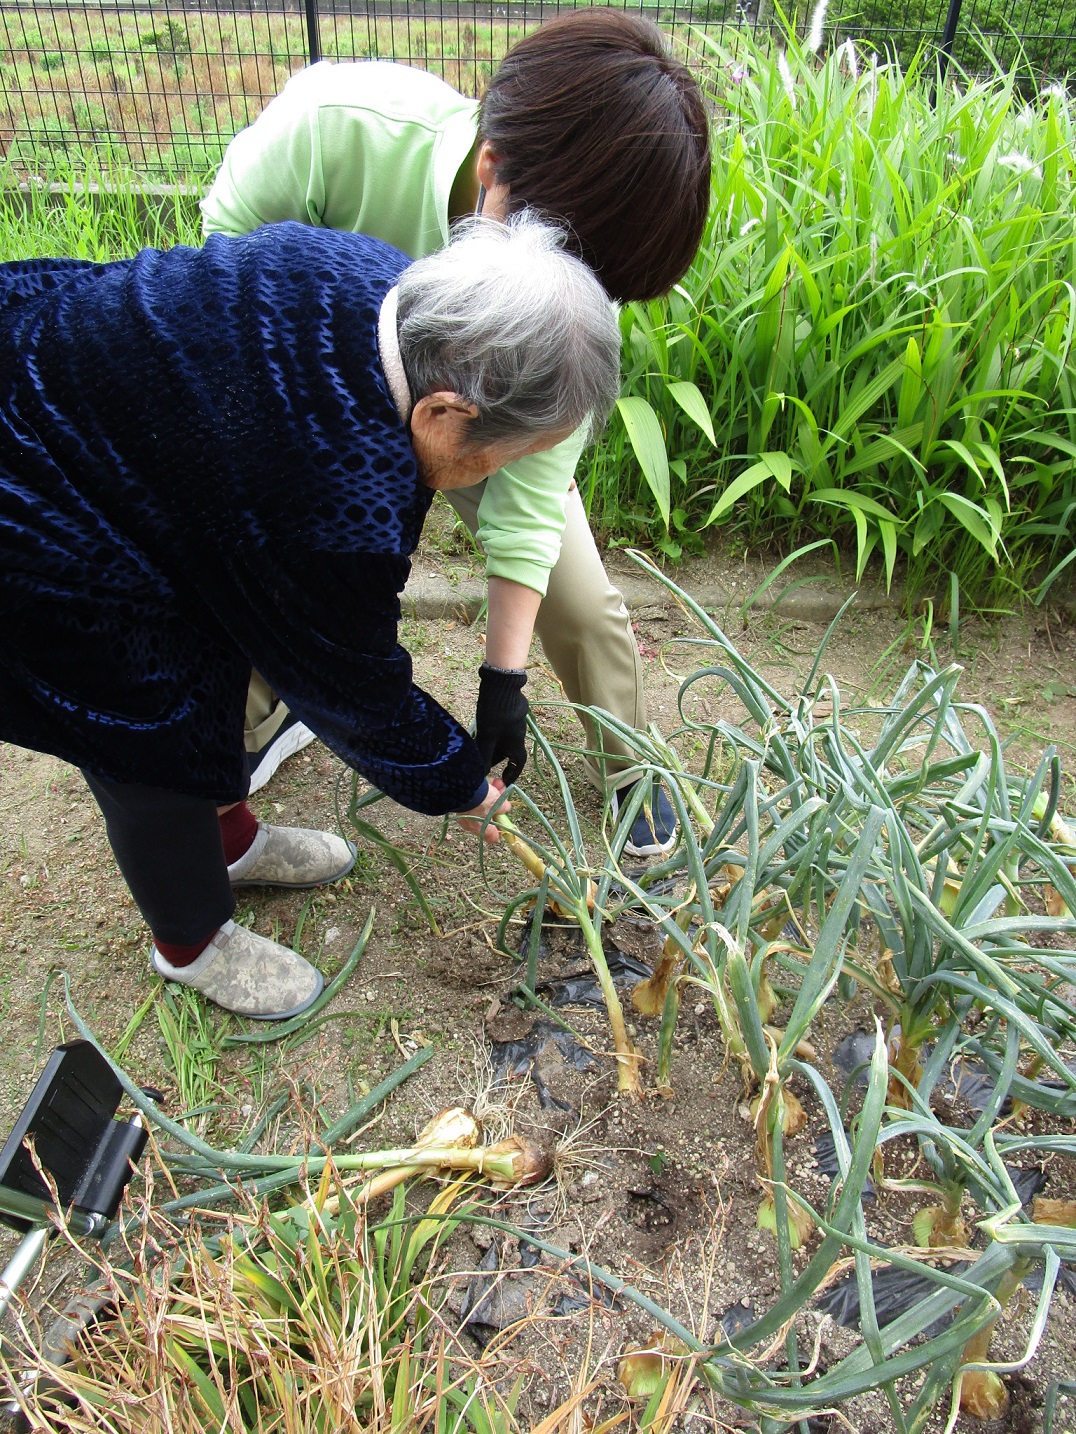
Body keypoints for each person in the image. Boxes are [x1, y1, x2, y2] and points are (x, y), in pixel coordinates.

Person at [0, 214, 621, 1019]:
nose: (499, 474)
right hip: (35, 485)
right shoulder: (328, 490)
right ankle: (190, 943)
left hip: (108, 420)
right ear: (442, 413)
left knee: (210, 648)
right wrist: (460, 784)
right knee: (138, 712)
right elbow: (351, 685)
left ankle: (230, 841)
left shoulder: (388, 291)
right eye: (506, 456)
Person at [201, 9, 712, 855]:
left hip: (490, 419)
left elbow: (534, 496)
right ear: (490, 169)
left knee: (578, 599)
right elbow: (220, 278)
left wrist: (500, 678)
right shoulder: (335, 129)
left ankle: (631, 763)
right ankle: (255, 721)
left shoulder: (574, 299)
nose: (574, 292)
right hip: (310, 397)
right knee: (269, 566)